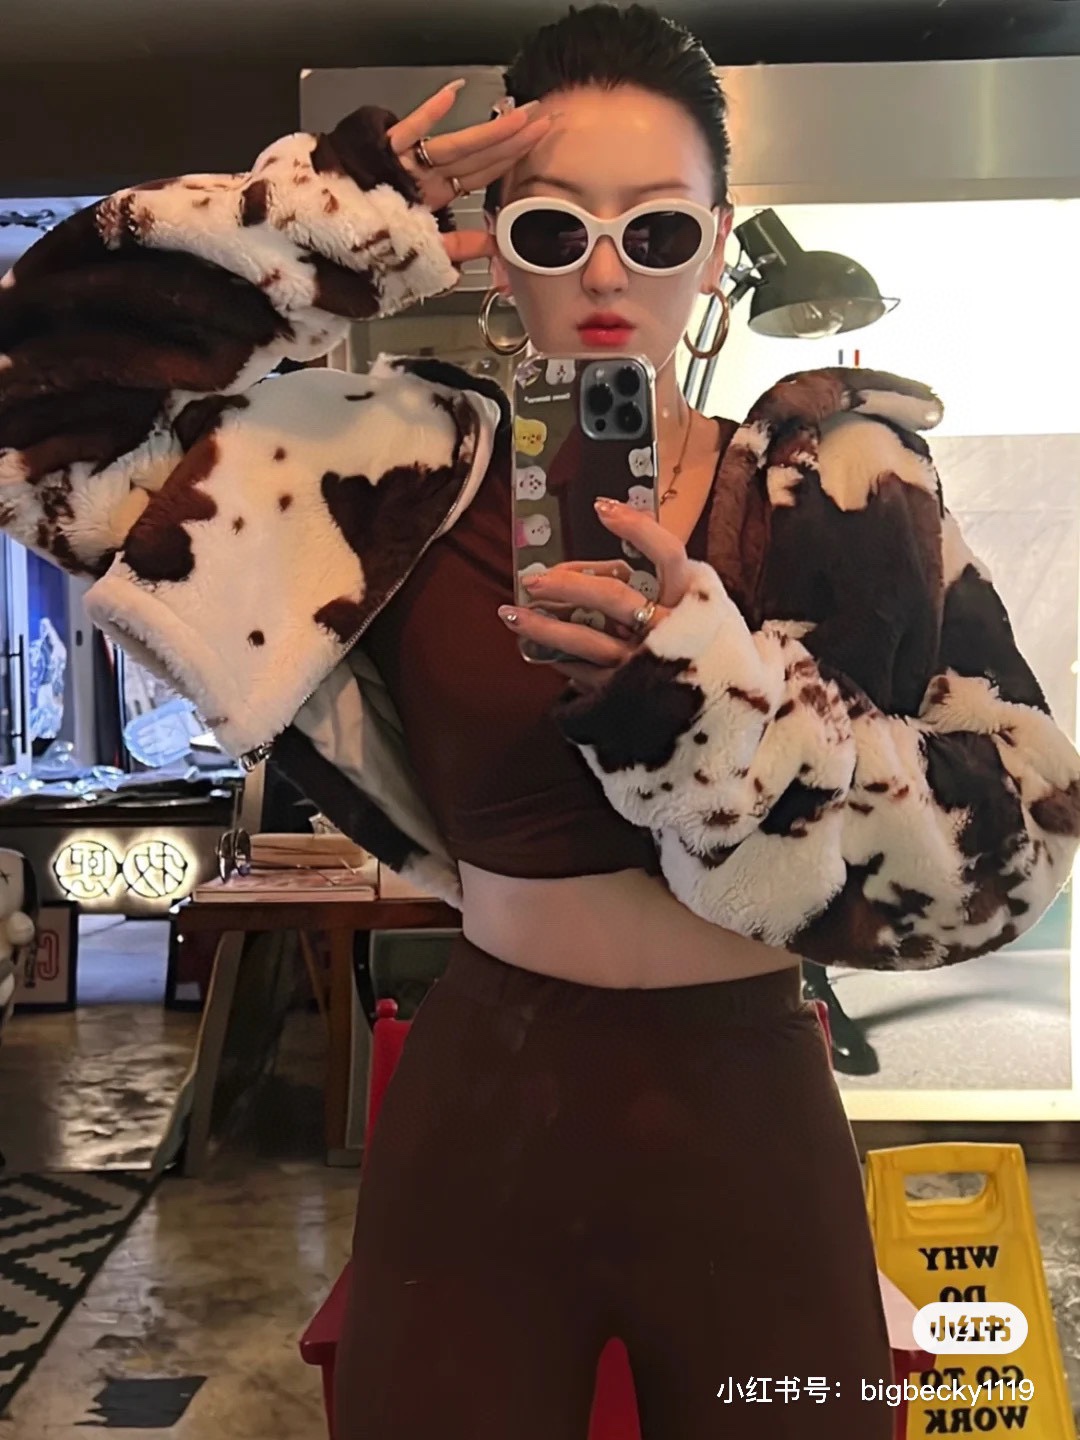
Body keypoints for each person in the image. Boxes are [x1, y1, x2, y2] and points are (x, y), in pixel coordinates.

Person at [2, 6, 1078, 1436]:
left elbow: (1017, 841)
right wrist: (320, 236)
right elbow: (40, 423)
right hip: (484, 1121)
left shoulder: (846, 492)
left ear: (719, 240)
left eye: (660, 229)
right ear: (494, 244)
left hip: (754, 1129)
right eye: (558, 227)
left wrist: (705, 711)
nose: (609, 272)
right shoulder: (383, 474)